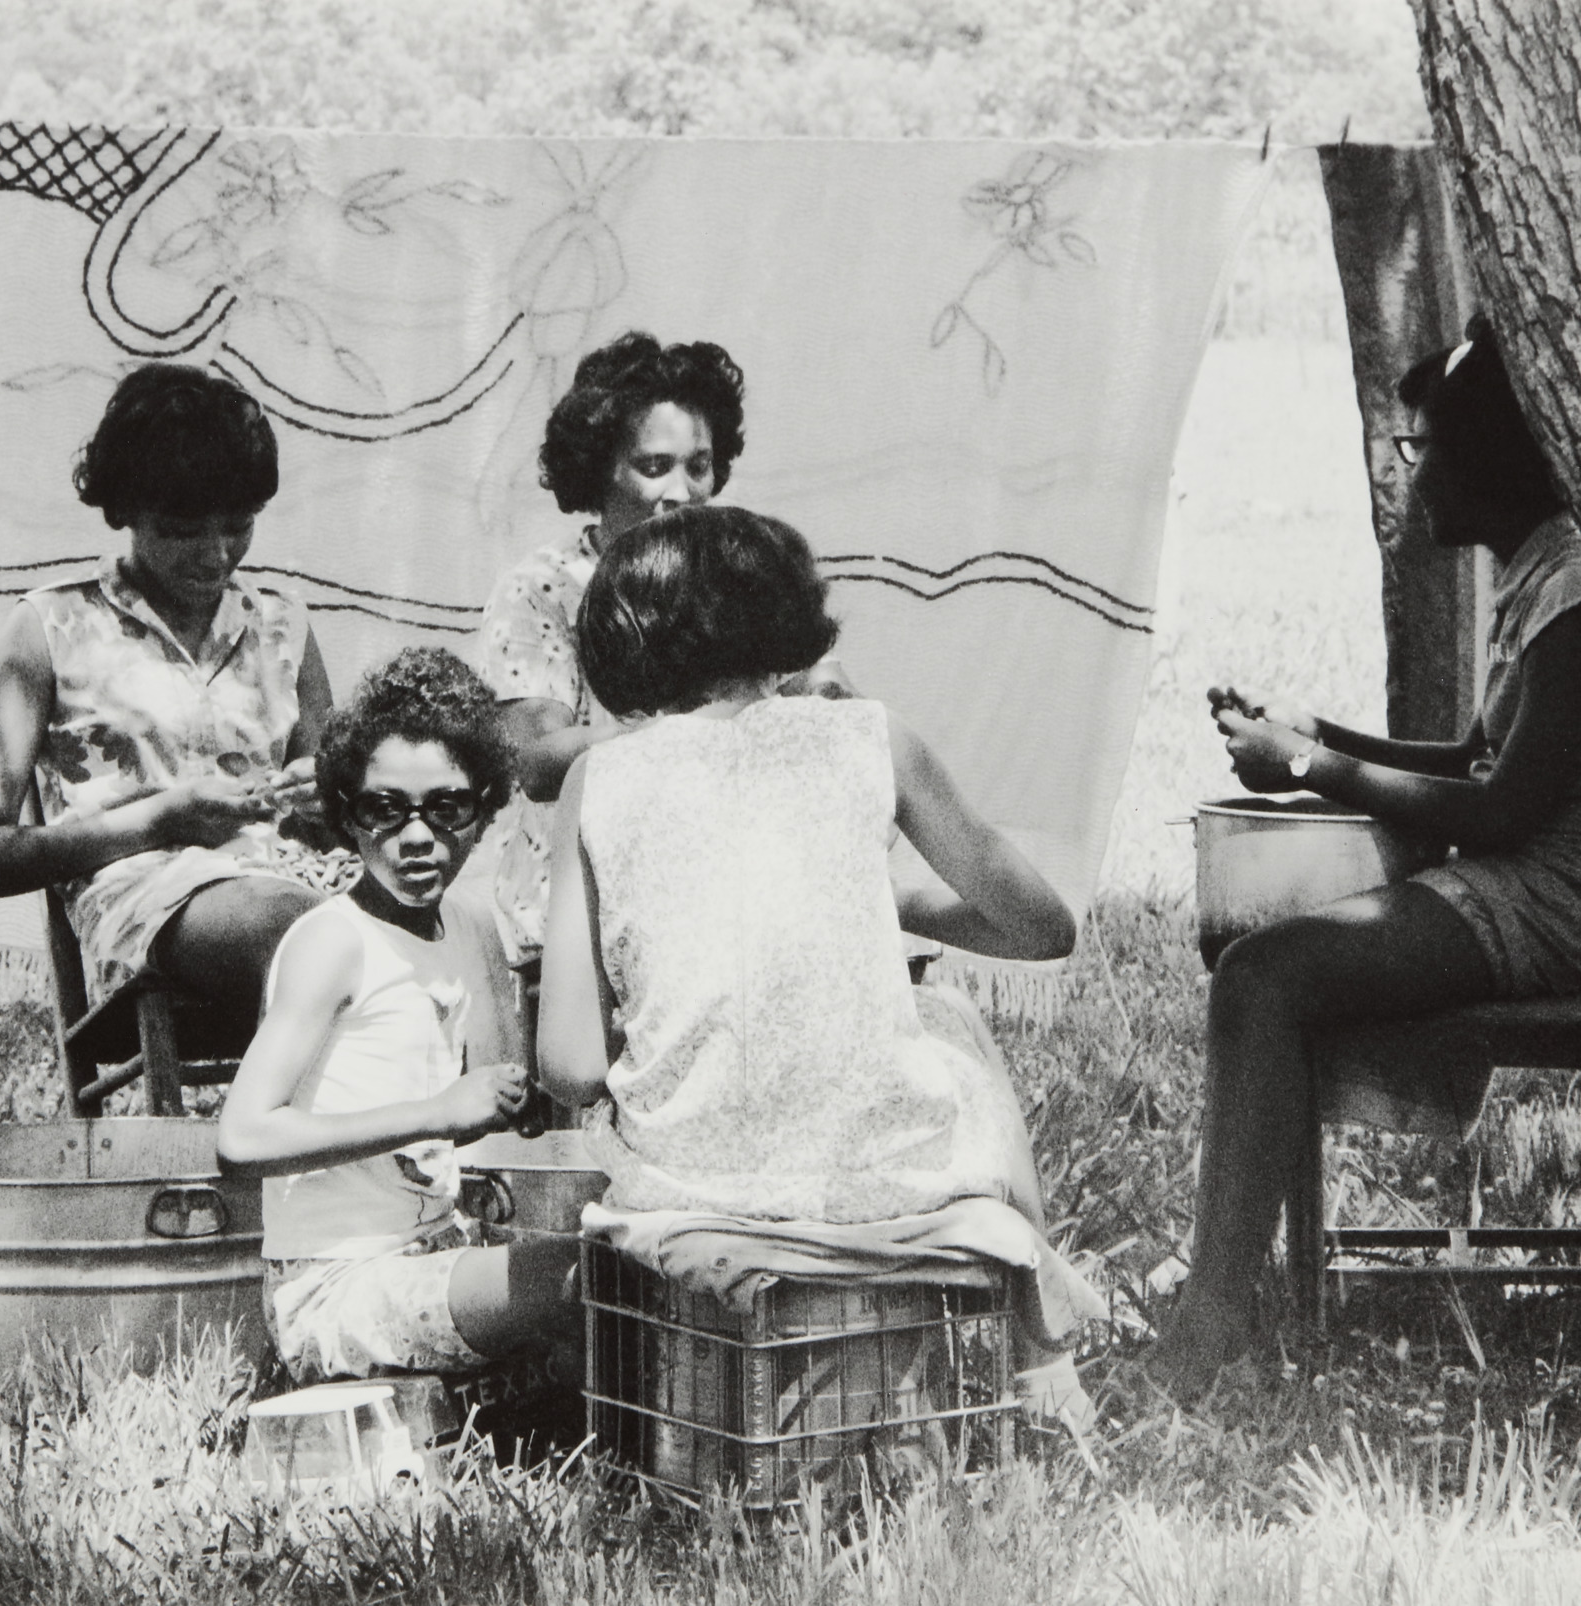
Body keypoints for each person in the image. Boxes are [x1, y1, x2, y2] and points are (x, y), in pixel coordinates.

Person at [1154, 316, 1581, 1390]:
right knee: (1258, 968)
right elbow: (1472, 756)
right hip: (1542, 874)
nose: (1414, 468)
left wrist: (1307, 767)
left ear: (1488, 460)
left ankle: (1214, 1328)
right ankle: (1230, 1295)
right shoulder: (1547, 565)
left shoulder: (1576, 596)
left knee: (1264, 978)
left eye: (1424, 445)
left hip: (1566, 893)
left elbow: (1497, 814)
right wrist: (1319, 730)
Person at [532, 505, 1092, 1421]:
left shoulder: (600, 777)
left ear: (622, 639)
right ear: (792, 625)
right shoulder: (873, 738)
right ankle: (1041, 1358)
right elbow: (1041, 927)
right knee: (949, 1022)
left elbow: (572, 1064)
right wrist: (892, 896)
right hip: (886, 1176)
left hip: (689, 1182)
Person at [0, 365, 513, 1057]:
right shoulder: (51, 628)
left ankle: (459, 1148)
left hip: (299, 884)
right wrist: (159, 819)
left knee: (474, 933)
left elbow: (348, 826)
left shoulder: (283, 626)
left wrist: (326, 799)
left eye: (238, 527)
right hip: (152, 904)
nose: (216, 554)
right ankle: (342, 1135)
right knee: (317, 935)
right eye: (184, 530)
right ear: (124, 508)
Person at [216, 649, 575, 1383]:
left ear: (487, 809)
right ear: (348, 815)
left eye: (447, 809)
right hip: (337, 1288)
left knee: (629, 1262)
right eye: (385, 810)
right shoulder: (331, 942)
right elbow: (241, 1141)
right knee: (579, 1280)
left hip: (442, 1252)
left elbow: (498, 1126)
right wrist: (434, 1112)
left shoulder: (471, 926)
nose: (417, 837)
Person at [476, 331, 849, 1019]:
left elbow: (819, 693)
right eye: (654, 465)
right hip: (577, 900)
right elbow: (534, 759)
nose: (681, 492)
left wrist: (819, 692)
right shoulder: (543, 589)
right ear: (599, 469)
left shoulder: (739, 575)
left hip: (724, 893)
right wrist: (704, 732)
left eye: (699, 466)